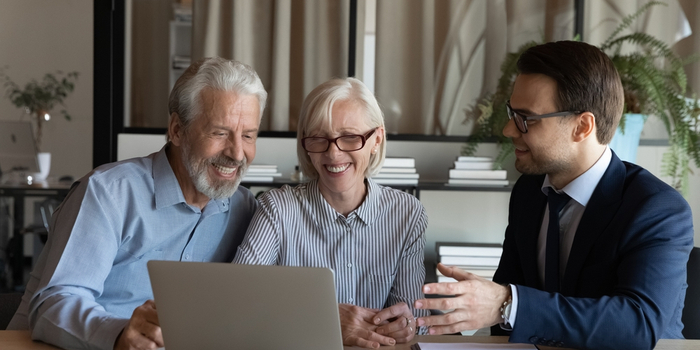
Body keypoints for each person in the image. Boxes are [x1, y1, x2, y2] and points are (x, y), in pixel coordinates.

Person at [413, 41, 694, 350]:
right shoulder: (528, 192)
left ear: (582, 127)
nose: (509, 129)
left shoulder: (656, 208)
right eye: (511, 113)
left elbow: (637, 325)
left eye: (526, 118)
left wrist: (508, 303)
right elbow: (504, 314)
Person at [7, 57, 267, 350]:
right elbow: (52, 304)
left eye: (248, 136)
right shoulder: (107, 193)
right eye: (219, 133)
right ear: (177, 130)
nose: (236, 153)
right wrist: (118, 335)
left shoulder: (245, 208)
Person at [233, 77, 429, 349]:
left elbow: (415, 317)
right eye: (318, 139)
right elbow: (237, 301)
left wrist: (407, 324)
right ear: (306, 145)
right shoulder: (277, 209)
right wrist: (325, 317)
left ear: (377, 139)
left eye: (349, 137)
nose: (334, 154)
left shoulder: (407, 214)